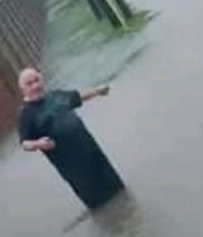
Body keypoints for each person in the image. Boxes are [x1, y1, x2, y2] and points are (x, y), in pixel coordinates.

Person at [16, 67, 125, 211]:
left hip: (94, 155)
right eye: (29, 84)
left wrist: (97, 91)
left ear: (42, 79)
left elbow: (78, 96)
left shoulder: (55, 95)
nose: (35, 86)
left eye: (37, 80)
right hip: (75, 170)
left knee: (120, 192)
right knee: (101, 206)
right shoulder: (26, 115)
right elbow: (24, 143)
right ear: (23, 89)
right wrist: (39, 143)